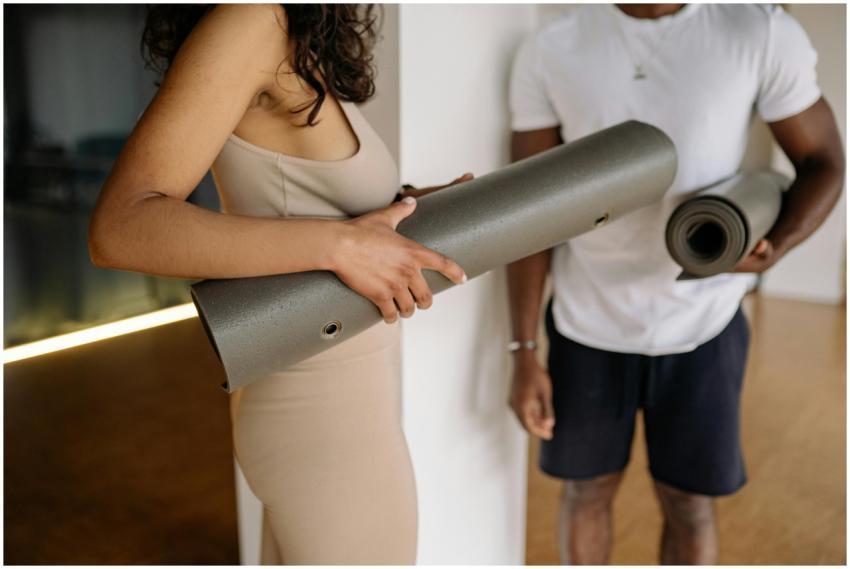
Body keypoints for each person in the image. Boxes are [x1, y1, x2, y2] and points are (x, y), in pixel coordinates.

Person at [89, 4, 471, 564]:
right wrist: (341, 245)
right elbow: (121, 227)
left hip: (347, 393)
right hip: (321, 407)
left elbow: (306, 202)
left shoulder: (290, 29)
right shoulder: (251, 18)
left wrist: (411, 206)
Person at [506, 4, 844, 564]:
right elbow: (526, 214)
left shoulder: (757, 30)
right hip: (585, 320)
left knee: (689, 503)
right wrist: (522, 350)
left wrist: (775, 247)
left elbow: (825, 161)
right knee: (585, 491)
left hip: (702, 320)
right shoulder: (552, 47)